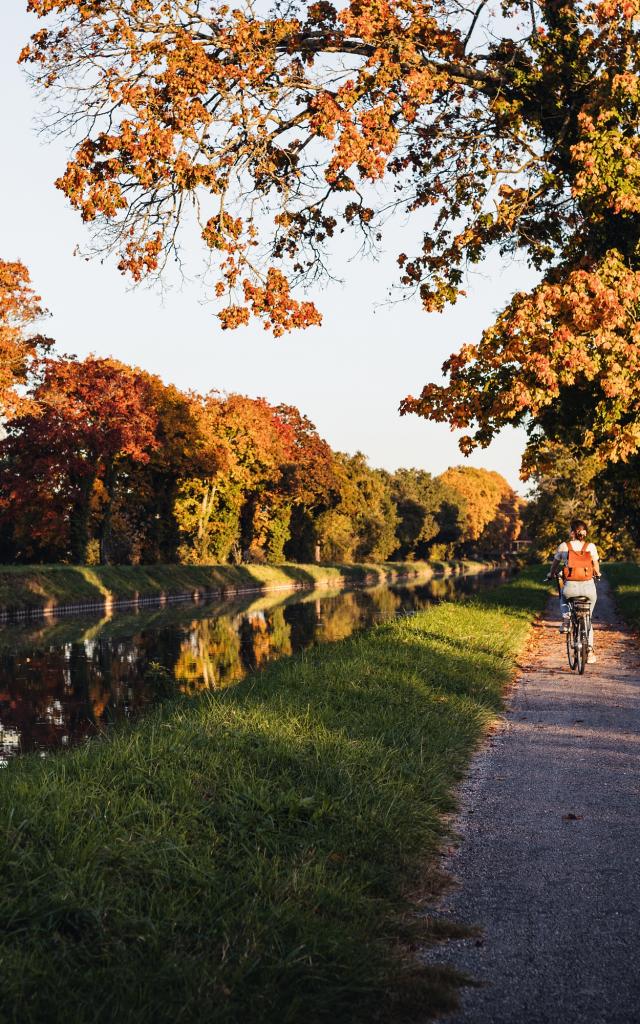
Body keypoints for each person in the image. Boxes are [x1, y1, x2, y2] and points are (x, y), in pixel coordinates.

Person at [546, 520, 601, 664]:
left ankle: (566, 620)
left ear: (572, 532)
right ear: (585, 532)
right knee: (588, 618)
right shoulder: (591, 547)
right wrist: (598, 574)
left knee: (563, 598)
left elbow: (555, 564)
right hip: (589, 589)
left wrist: (550, 574)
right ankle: (589, 652)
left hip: (570, 587)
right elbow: (596, 565)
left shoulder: (564, 546)